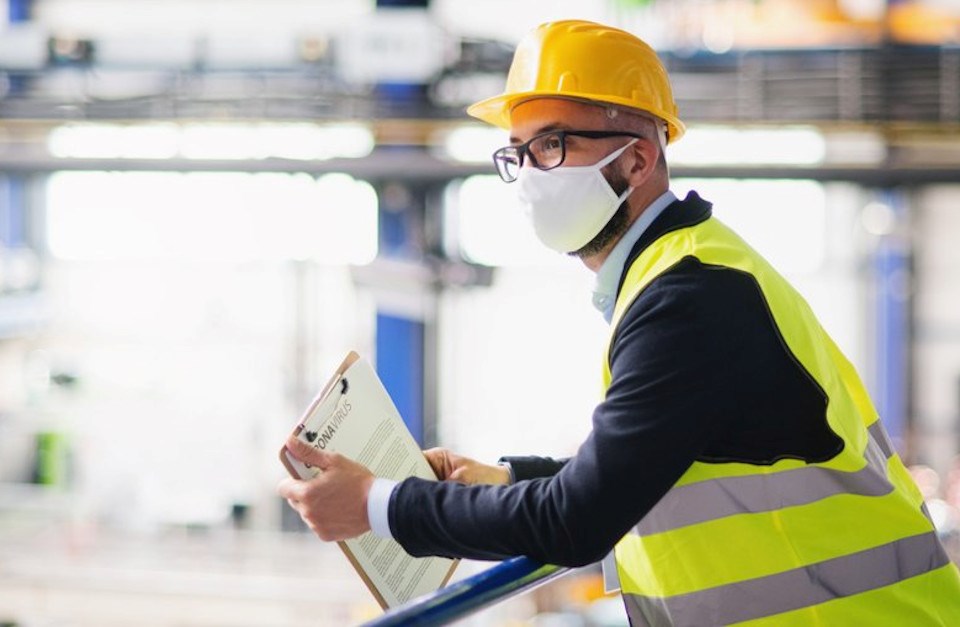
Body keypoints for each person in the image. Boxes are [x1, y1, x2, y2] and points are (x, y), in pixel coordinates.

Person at [279, 19, 960, 625]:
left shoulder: (690, 298)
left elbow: (578, 519)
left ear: (637, 157)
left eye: (552, 145)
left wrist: (378, 505)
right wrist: (502, 479)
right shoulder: (680, 276)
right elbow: (652, 466)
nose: (528, 175)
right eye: (517, 153)